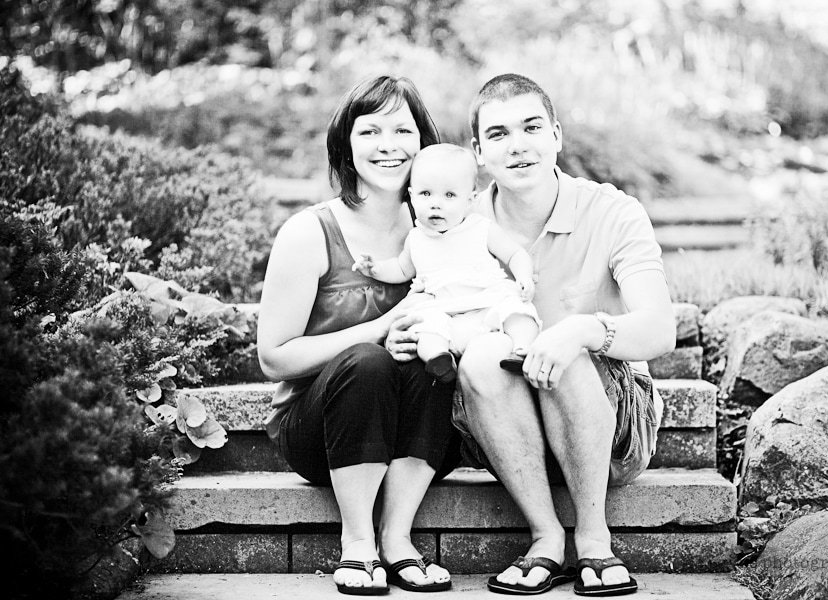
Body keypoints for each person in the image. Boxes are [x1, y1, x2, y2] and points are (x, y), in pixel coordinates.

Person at [385, 73, 675, 596]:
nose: (517, 145)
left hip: (611, 426)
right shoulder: (452, 218)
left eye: (531, 127)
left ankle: (593, 538)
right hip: (503, 428)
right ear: (478, 152)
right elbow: (420, 294)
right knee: (481, 356)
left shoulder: (611, 212)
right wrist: (401, 336)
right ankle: (545, 538)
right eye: (497, 134)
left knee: (562, 346)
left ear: (557, 135)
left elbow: (660, 329)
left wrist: (585, 331)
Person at [257, 75, 458, 596]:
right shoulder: (309, 232)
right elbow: (275, 358)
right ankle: (358, 543)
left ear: (425, 143)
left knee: (431, 358)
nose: (388, 146)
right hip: (321, 432)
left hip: (421, 429)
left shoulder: (449, 227)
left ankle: (397, 540)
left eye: (402, 130)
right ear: (346, 144)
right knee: (370, 359)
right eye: (370, 132)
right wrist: (378, 329)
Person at [352, 143, 541, 383]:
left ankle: (522, 350)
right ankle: (439, 359)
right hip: (444, 311)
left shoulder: (480, 228)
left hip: (488, 301)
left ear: (470, 200)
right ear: (411, 196)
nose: (435, 203)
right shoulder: (416, 238)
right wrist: (375, 268)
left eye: (449, 195)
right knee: (425, 327)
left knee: (518, 312)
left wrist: (523, 277)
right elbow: (401, 268)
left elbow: (515, 254)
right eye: (425, 194)